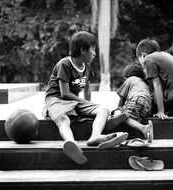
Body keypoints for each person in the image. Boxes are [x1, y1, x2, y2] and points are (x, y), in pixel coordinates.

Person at [42, 31, 127, 164]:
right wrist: (83, 102)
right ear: (82, 50)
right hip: (56, 100)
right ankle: (71, 143)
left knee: (103, 110)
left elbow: (87, 91)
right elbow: (64, 93)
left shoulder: (87, 67)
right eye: (93, 49)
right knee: (63, 119)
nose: (94, 53)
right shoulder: (64, 64)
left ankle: (95, 136)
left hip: (74, 102)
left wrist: (90, 108)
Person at [136, 39, 173, 119]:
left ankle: (163, 109)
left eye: (139, 59)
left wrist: (160, 111)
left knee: (146, 78)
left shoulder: (148, 59)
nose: (141, 63)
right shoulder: (167, 55)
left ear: (143, 55)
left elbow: (157, 84)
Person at [112, 65, 154, 143]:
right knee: (131, 118)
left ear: (125, 78)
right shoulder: (144, 83)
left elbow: (122, 98)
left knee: (121, 116)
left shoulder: (130, 80)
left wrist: (118, 109)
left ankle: (143, 128)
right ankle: (145, 134)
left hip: (137, 99)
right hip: (147, 104)